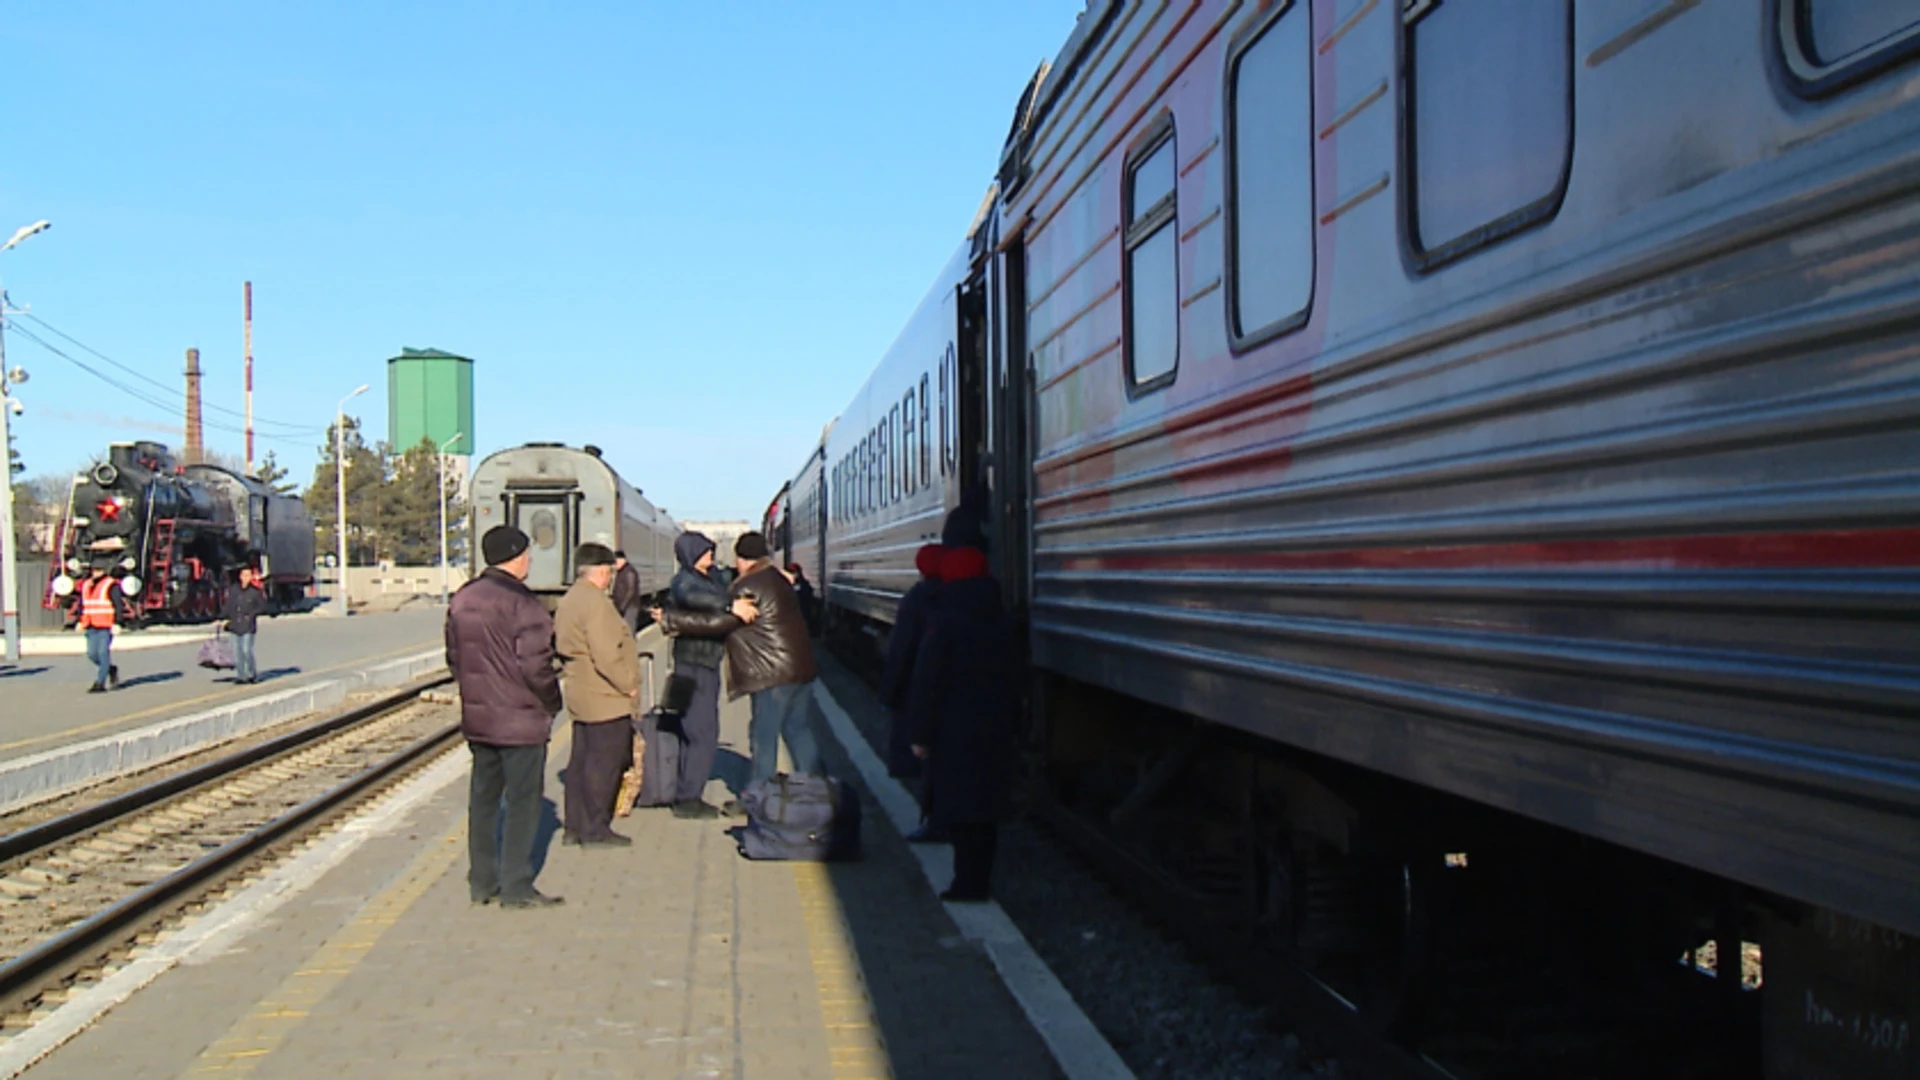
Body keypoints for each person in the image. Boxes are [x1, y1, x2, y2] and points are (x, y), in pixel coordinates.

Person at [446, 525, 566, 909]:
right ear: (515, 556)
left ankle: (482, 881)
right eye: (526, 553)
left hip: (480, 719)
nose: (530, 559)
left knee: (482, 801)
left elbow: (455, 657)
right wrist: (551, 701)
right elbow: (537, 666)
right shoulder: (524, 604)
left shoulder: (463, 599)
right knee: (522, 803)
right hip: (520, 720)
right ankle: (516, 885)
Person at [657, 532, 821, 786]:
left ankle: (758, 796)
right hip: (801, 669)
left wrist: (670, 620)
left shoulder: (748, 587)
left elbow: (720, 623)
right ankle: (816, 790)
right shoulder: (777, 578)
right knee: (798, 731)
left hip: (771, 673)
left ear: (743, 559)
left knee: (763, 738)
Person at [909, 545, 1020, 902]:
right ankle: (981, 878)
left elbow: (929, 684)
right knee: (986, 810)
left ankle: (966, 883)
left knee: (959, 810)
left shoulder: (943, 623)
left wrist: (920, 735)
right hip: (996, 727)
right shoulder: (1004, 620)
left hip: (953, 731)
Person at [651, 532, 758, 819]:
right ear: (690, 555)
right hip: (693, 665)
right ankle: (688, 798)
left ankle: (686, 790)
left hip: (701, 663)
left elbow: (727, 580)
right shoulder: (685, 581)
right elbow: (696, 598)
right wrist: (729, 607)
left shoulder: (709, 576)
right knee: (702, 731)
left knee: (695, 728)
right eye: (704, 551)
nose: (711, 555)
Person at [554, 542, 641, 847]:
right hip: (604, 695)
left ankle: (574, 827)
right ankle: (595, 828)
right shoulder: (596, 603)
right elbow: (605, 653)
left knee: (581, 760)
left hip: (580, 690)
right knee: (604, 763)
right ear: (604, 572)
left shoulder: (570, 599)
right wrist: (627, 683)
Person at [880, 544, 943, 783]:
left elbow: (900, 652)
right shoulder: (949, 598)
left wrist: (887, 694)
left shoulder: (915, 600)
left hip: (910, 685)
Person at [68, 564, 126, 693]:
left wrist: (118, 622)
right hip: (91, 625)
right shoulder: (87, 585)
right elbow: (83, 605)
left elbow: (117, 605)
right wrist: (79, 621)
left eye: (99, 569)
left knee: (103, 653)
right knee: (92, 654)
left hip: (105, 626)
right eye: (94, 570)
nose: (96, 572)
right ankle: (110, 669)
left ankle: (100, 683)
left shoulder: (111, 585)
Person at [223, 566, 270, 685]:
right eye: (244, 575)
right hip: (234, 624)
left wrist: (252, 614)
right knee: (236, 652)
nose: (246, 578)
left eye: (248, 575)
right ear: (240, 576)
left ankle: (251, 674)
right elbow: (229, 605)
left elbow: (262, 606)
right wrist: (222, 618)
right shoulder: (234, 590)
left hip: (248, 625)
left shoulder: (255, 592)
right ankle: (241, 676)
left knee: (246, 650)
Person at [610, 550, 644, 636]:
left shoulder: (629, 572)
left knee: (629, 631)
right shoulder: (621, 572)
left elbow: (631, 590)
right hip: (623, 606)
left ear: (622, 560)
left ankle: (631, 648)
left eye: (615, 562)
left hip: (630, 607)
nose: (614, 565)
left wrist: (622, 606)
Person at [788, 563, 820, 638]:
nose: (793, 574)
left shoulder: (803, 585)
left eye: (794, 572)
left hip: (800, 615)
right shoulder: (787, 584)